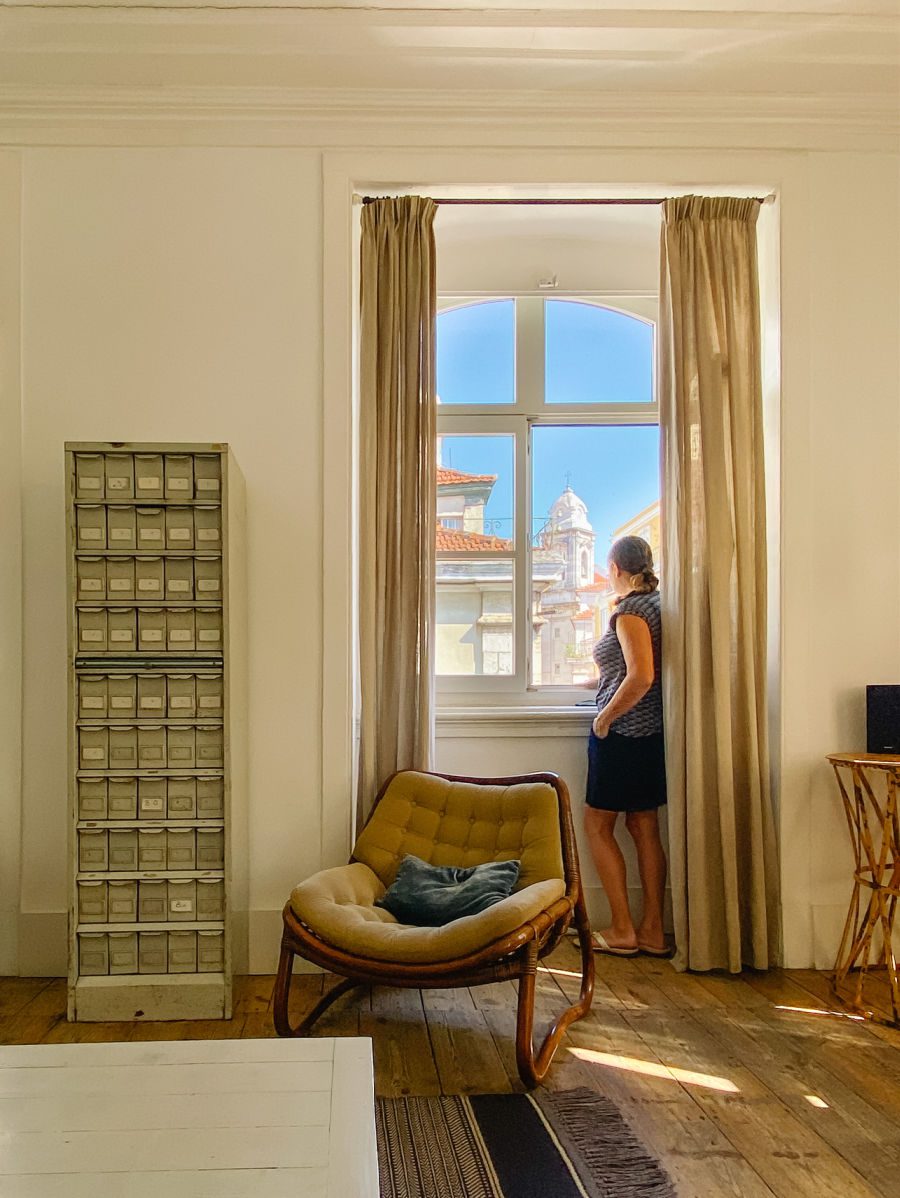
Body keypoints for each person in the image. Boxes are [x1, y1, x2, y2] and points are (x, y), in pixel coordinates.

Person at [582, 535, 669, 957]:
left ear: (615, 569)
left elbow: (640, 676)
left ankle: (622, 929)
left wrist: (604, 718)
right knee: (643, 827)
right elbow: (624, 671)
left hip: (623, 735)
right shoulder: (658, 605)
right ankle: (652, 930)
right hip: (650, 735)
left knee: (597, 826)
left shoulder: (632, 609)